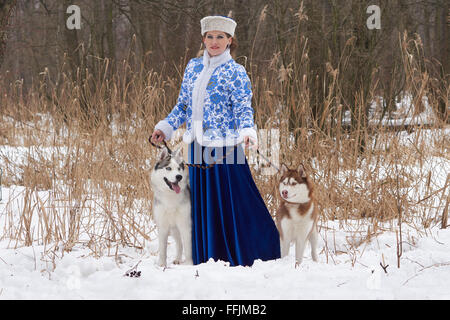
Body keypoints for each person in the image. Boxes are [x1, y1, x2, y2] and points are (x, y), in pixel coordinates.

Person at [151, 15, 280, 266]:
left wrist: (247, 131)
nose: (214, 41)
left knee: (236, 200)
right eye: (210, 37)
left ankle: (257, 246)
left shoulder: (235, 72)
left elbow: (244, 108)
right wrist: (165, 128)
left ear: (230, 40)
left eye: (220, 37)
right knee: (203, 202)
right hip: (197, 146)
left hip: (226, 147)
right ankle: (207, 254)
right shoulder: (193, 67)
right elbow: (183, 105)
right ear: (203, 39)